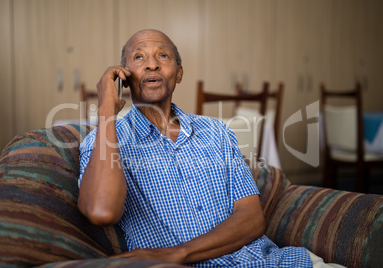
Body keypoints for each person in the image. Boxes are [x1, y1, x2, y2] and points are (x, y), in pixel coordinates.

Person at [78, 29, 340, 267]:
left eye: (163, 55)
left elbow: (252, 219)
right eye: (138, 57)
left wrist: (177, 254)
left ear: (178, 73)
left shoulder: (217, 132)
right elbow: (103, 211)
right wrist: (105, 113)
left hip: (277, 262)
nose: (152, 63)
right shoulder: (104, 139)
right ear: (122, 77)